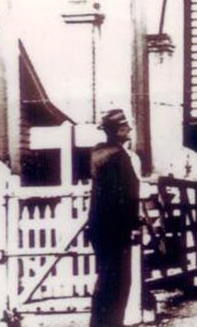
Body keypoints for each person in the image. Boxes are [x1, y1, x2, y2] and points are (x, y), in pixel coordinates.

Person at [87, 110, 140, 327]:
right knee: (118, 283)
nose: (128, 129)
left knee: (106, 280)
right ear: (119, 130)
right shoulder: (119, 156)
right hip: (117, 229)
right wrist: (133, 225)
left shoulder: (98, 153)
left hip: (100, 227)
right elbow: (124, 196)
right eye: (125, 126)